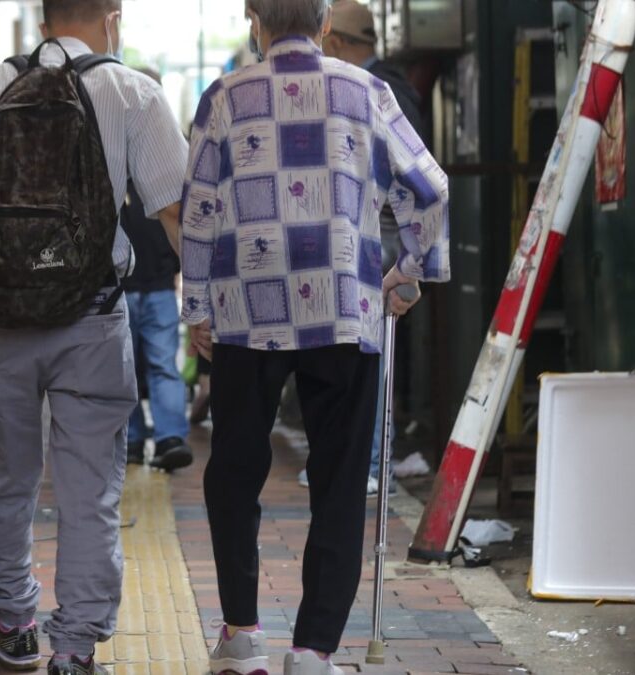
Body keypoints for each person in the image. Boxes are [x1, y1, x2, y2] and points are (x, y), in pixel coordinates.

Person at [0, 1, 188, 673]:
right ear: (112, 16)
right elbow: (177, 210)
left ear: (41, 16)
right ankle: (75, 643)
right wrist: (205, 308)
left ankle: (11, 619)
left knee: (6, 476)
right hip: (92, 318)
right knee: (89, 487)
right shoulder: (133, 92)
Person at [180, 1, 450, 674]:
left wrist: (197, 308)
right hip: (343, 311)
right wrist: (408, 271)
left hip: (248, 313)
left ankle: (242, 635)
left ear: (252, 19)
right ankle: (314, 647)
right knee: (337, 480)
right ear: (325, 22)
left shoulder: (225, 96)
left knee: (234, 472)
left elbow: (199, 209)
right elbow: (431, 188)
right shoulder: (367, 92)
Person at [312, 0, 433, 495]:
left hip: (373, 236)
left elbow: (422, 181)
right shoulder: (390, 85)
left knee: (364, 349)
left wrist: (411, 263)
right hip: (379, 236)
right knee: (365, 348)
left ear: (335, 42)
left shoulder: (370, 91)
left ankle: (369, 461)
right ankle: (366, 459)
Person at [120, 74, 193, 469]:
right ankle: (149, 438)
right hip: (137, 285)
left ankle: (165, 437)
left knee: (141, 366)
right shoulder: (120, 151)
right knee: (145, 366)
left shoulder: (124, 151)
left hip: (155, 285)